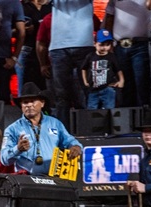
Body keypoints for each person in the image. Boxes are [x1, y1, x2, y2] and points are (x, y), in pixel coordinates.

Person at [0, 81, 82, 175]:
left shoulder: (55, 123)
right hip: (27, 181)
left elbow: (70, 141)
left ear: (42, 103)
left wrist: (76, 146)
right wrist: (17, 149)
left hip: (54, 178)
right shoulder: (12, 129)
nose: (29, 105)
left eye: (33, 101)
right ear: (21, 106)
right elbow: (4, 159)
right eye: (25, 102)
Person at [47, 0, 94, 128]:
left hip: (84, 43)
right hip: (58, 46)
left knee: (88, 90)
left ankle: (89, 128)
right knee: (61, 95)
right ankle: (63, 131)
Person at [103, 0, 151, 108]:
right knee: (124, 84)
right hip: (119, 45)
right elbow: (110, 16)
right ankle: (127, 118)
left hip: (140, 44)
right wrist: (108, 42)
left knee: (142, 82)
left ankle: (144, 116)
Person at [0, 0, 25, 103]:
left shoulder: (13, 2)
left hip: (3, 57)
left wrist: (14, 57)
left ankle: (5, 118)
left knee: (3, 96)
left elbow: (21, 32)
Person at [81, 29, 123, 110]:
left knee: (110, 108)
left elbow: (118, 69)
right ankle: (93, 123)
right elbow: (83, 68)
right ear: (95, 44)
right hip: (93, 89)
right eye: (101, 45)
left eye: (108, 45)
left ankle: (110, 122)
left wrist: (121, 80)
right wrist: (85, 81)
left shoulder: (111, 56)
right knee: (92, 109)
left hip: (108, 88)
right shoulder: (90, 56)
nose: (105, 48)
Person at [16, 0, 51, 94]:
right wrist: (21, 30)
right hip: (27, 49)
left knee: (46, 86)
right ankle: (24, 106)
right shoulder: (20, 6)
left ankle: (45, 108)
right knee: (25, 86)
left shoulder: (51, 5)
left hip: (48, 50)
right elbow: (7, 29)